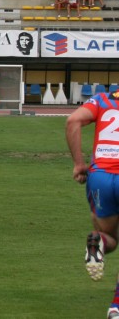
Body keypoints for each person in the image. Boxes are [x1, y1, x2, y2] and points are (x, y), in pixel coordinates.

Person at [66, 87, 119, 299]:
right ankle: (116, 307)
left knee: (110, 238)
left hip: (100, 178)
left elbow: (72, 121)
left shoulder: (104, 99)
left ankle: (98, 242)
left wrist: (79, 164)